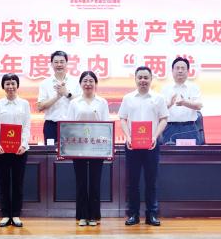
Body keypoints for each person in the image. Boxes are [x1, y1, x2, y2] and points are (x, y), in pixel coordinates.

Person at [118, 66, 169, 226]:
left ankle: (151, 214)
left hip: (152, 145)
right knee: (132, 182)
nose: (143, 80)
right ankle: (133, 214)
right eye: (140, 77)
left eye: (146, 77)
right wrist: (128, 137)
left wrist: (155, 136)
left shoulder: (158, 98)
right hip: (132, 146)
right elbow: (122, 119)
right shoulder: (128, 98)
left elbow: (164, 119)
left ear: (151, 79)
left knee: (151, 181)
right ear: (135, 79)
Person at [66, 70, 111, 227]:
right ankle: (82, 216)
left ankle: (94, 216)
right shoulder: (74, 103)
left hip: (97, 148)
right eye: (85, 81)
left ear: (96, 84)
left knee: (95, 182)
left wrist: (107, 146)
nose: (88, 83)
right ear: (80, 84)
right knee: (81, 182)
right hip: (78, 147)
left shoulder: (102, 102)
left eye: (91, 81)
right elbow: (69, 125)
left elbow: (106, 125)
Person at [0, 73, 31, 228]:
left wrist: (24, 144)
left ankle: (15, 215)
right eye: (7, 83)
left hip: (20, 150)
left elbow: (26, 126)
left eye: (13, 83)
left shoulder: (25, 104)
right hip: (1, 150)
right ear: (3, 86)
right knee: (4, 183)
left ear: (17, 85)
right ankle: (5, 215)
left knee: (18, 183)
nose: (10, 86)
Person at [36, 50, 80, 145]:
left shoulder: (76, 82)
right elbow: (40, 107)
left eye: (62, 62)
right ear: (51, 64)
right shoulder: (45, 83)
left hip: (71, 126)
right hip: (51, 126)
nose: (59, 64)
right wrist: (57, 96)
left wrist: (67, 94)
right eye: (56, 62)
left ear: (66, 63)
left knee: (71, 151)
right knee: (51, 152)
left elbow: (81, 103)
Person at [160, 57, 203, 145]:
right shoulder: (165, 89)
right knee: (168, 153)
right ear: (172, 71)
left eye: (183, 68)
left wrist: (184, 102)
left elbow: (199, 106)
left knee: (191, 153)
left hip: (189, 129)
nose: (180, 71)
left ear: (188, 71)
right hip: (170, 128)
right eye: (177, 68)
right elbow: (160, 111)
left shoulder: (194, 87)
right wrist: (170, 104)